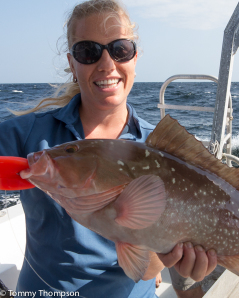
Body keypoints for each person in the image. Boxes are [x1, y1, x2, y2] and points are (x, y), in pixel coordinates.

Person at [0, 0, 217, 297]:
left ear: (135, 58)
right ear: (72, 63)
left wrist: (174, 255)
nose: (106, 64)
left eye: (120, 49)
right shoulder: (29, 136)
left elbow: (149, 268)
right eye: (87, 52)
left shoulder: (163, 150)